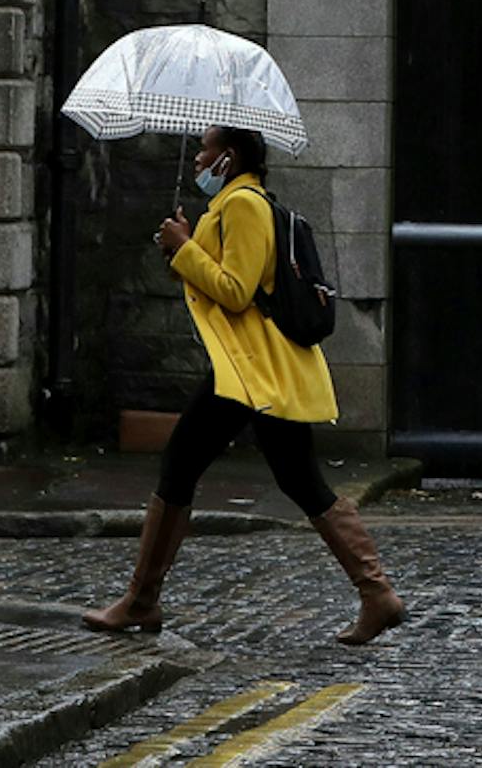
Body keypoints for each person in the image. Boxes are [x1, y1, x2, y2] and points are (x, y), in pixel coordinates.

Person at [82, 124, 405, 645]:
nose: (197, 158)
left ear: (227, 157)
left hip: (252, 371)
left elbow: (235, 291)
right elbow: (226, 281)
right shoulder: (232, 204)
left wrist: (186, 248)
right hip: (252, 370)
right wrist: (182, 249)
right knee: (297, 480)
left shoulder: (244, 206)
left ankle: (142, 600)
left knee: (184, 465)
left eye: (204, 149)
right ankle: (377, 593)